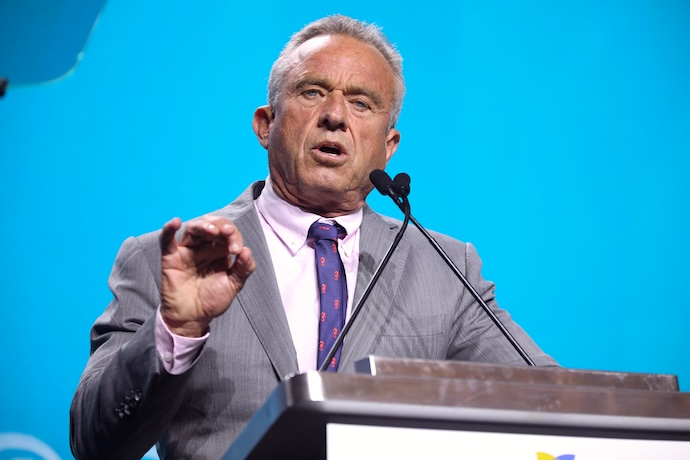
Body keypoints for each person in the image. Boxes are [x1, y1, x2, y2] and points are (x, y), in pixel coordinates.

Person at [70, 14, 557, 460]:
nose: (336, 116)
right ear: (266, 124)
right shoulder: (173, 259)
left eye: (362, 103)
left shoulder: (444, 268)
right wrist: (177, 328)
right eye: (312, 92)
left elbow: (552, 402)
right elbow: (96, 443)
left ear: (388, 147)